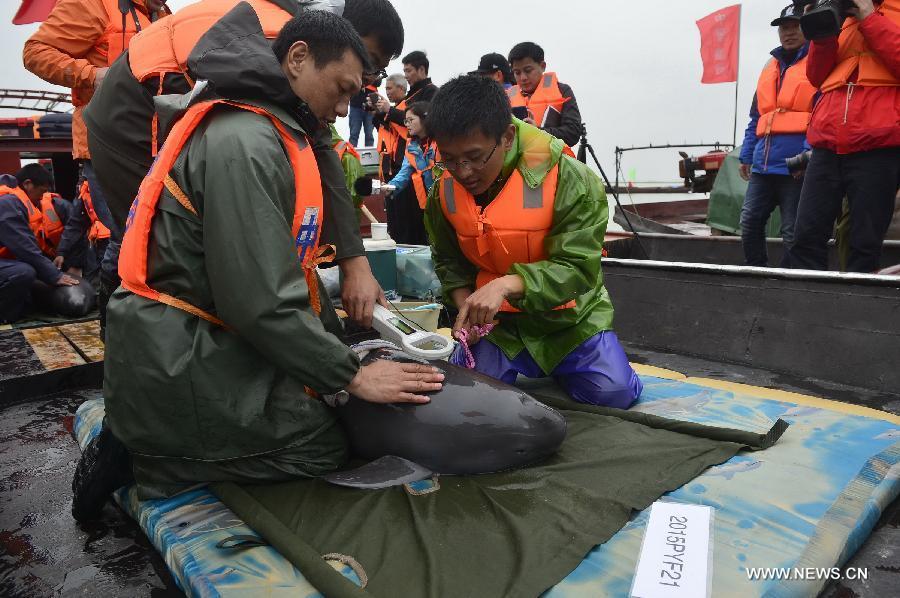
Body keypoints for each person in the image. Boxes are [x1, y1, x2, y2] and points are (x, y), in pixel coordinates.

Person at [71, 9, 444, 521]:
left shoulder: (274, 125)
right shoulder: (248, 142)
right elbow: (259, 302)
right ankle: (152, 459)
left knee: (310, 395)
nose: (342, 110)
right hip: (176, 349)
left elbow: (287, 272)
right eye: (340, 90)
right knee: (321, 445)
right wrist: (351, 376)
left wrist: (335, 343)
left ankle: (158, 431)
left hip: (192, 332)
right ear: (297, 58)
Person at [82, 0, 405, 329]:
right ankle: (129, 337)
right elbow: (320, 149)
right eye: (371, 64)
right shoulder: (279, 40)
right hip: (130, 116)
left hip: (162, 99)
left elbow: (317, 144)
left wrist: (353, 263)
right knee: (158, 248)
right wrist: (353, 265)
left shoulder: (302, 37)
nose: (367, 78)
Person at [424, 75, 643, 409]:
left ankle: (590, 364)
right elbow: (448, 261)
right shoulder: (443, 191)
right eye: (450, 159)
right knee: (467, 396)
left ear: (507, 137)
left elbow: (578, 269)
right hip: (499, 327)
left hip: (571, 322)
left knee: (615, 394)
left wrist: (505, 285)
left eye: (474, 156)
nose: (463, 171)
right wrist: (467, 309)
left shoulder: (572, 178)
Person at [22, 0, 169, 329]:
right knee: (127, 239)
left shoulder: (158, 12)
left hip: (154, 147)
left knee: (156, 239)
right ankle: (115, 332)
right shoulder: (92, 3)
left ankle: (148, 328)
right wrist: (94, 75)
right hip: (108, 146)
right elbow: (35, 52)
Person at [789, 0, 900, 273]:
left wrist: (869, 17)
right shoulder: (841, 15)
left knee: (864, 243)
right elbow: (816, 76)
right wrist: (821, 34)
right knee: (805, 237)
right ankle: (802, 298)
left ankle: (856, 301)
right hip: (827, 144)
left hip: (879, 146)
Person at [738, 4, 815, 268]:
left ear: (807, 28)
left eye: (795, 26)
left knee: (792, 231)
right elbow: (756, 117)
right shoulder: (768, 67)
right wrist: (747, 154)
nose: (788, 33)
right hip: (763, 166)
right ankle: (756, 271)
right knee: (749, 221)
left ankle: (791, 279)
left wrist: (807, 155)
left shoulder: (818, 62)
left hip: (795, 168)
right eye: (784, 28)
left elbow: (821, 113)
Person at [0, 165, 80, 323]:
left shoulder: (14, 201)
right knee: (23, 272)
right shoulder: (7, 204)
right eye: (42, 192)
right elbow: (24, 247)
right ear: (28, 184)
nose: (42, 197)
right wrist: (55, 276)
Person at [506, 42, 582, 147]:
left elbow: (573, 133)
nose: (523, 77)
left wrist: (538, 132)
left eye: (528, 71)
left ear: (542, 66)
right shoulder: (505, 97)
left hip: (550, 157)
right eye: (517, 73)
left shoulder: (563, 91)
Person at [386, 102, 437, 244]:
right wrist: (390, 187)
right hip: (428, 203)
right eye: (405, 121)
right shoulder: (412, 146)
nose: (407, 124)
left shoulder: (441, 141)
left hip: (445, 199)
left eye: (411, 120)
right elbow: (404, 173)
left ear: (425, 118)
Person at [373, 72, 410, 181]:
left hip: (402, 164)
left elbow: (407, 122)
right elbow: (382, 129)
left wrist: (389, 110)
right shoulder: (393, 109)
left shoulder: (410, 106)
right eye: (386, 89)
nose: (387, 92)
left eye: (389, 88)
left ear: (401, 88)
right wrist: (376, 111)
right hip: (389, 163)